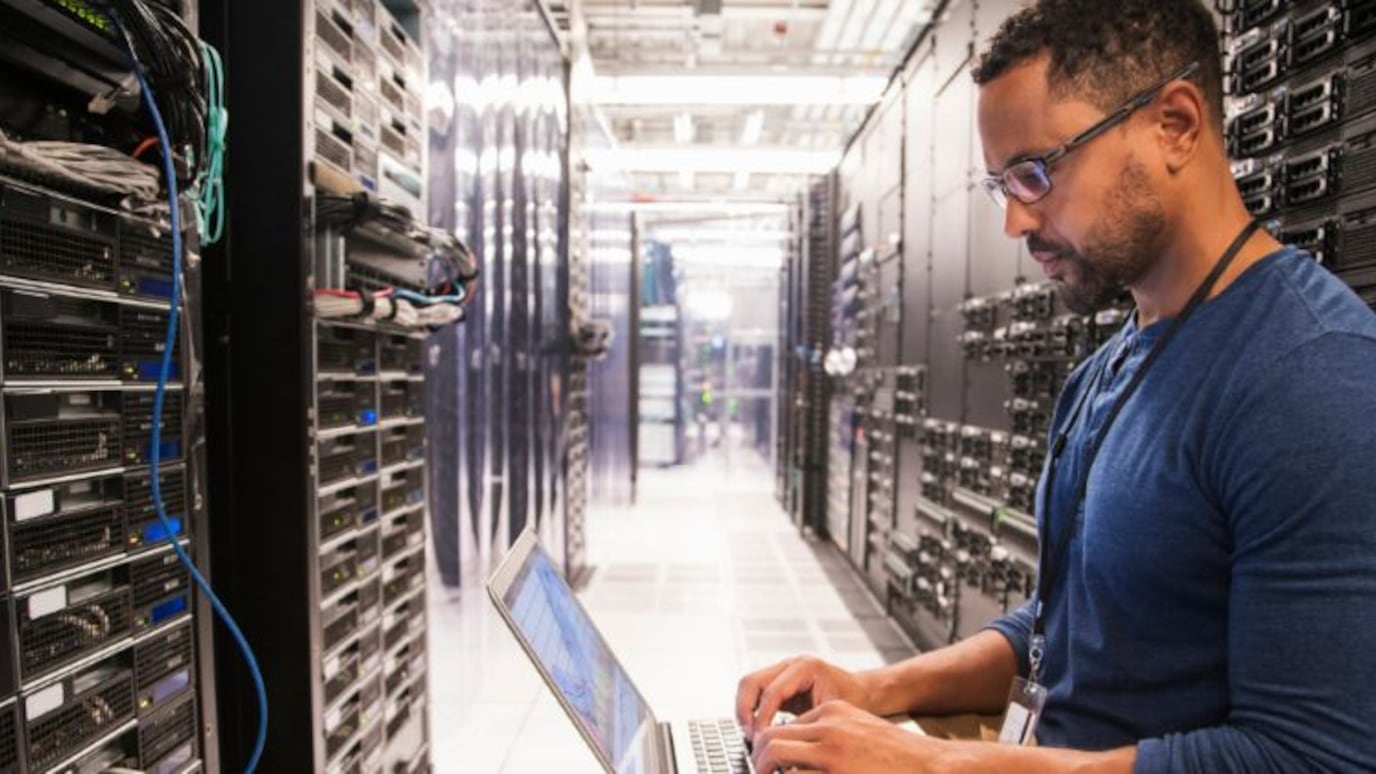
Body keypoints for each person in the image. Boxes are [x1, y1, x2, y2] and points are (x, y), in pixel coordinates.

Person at [737, 1, 1376, 771]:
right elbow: (1061, 631)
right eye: (999, 184)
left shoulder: (1312, 378)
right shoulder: (1104, 374)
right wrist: (872, 689)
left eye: (1035, 173)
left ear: (1174, 125)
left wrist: (940, 766)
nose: (1013, 221)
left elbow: (1309, 758)